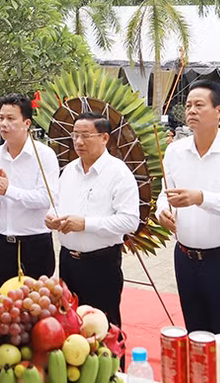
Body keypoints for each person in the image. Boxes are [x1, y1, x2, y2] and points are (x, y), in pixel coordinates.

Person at [156, 80, 220, 383]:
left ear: (219, 111)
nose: (192, 111)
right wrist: (164, 210)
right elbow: (166, 191)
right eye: (188, 105)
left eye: (200, 105)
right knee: (195, 333)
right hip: (186, 258)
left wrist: (201, 198)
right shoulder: (174, 151)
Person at [45, 112, 141, 330]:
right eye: (75, 135)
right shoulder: (69, 170)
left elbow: (129, 221)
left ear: (104, 138)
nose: (79, 142)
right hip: (68, 261)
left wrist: (86, 224)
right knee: (71, 325)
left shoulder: (118, 173)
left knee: (104, 328)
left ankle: (115, 365)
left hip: (101, 263)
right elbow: (56, 203)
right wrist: (51, 217)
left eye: (86, 136)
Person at [0, 94, 59, 287]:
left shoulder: (44, 155)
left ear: (26, 123)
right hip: (3, 241)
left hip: (35, 241)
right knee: (5, 304)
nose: (3, 124)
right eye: (1, 118)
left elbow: (45, 198)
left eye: (10, 119)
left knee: (37, 305)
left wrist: (8, 190)